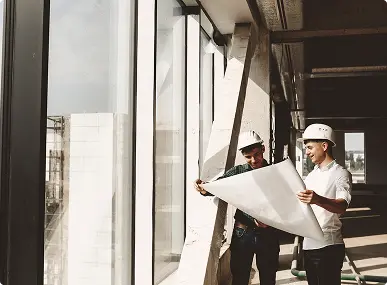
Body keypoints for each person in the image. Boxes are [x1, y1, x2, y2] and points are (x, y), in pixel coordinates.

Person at [194, 131, 279, 285]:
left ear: (263, 149)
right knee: (239, 278)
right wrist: (203, 187)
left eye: (257, 154)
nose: (253, 160)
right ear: (243, 155)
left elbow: (284, 201)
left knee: (268, 278)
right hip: (243, 233)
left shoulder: (276, 173)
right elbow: (217, 187)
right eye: (248, 157)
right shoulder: (238, 172)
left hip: (269, 233)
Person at [297, 123, 352, 285]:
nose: (306, 152)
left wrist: (318, 199)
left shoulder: (340, 174)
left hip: (328, 247)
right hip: (309, 245)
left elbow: (342, 206)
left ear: (324, 146)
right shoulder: (312, 175)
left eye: (309, 148)